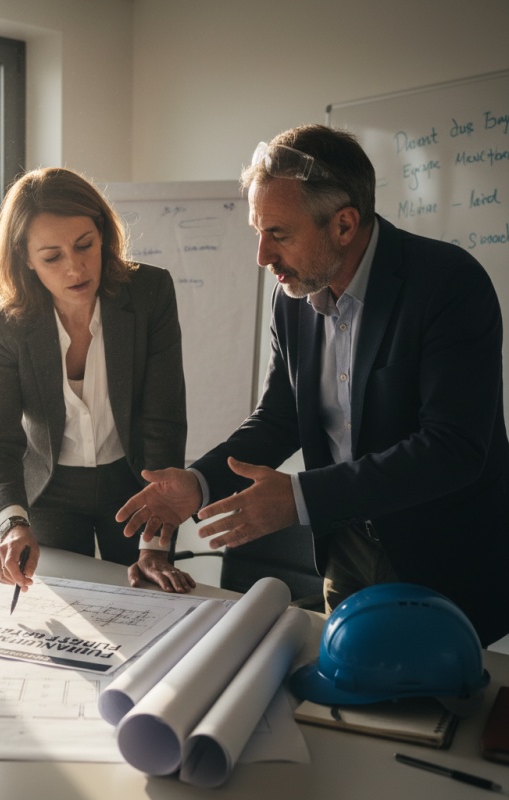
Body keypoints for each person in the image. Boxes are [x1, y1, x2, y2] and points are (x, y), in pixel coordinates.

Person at [117, 124, 509, 646]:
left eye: (278, 234)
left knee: (438, 694)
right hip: (344, 548)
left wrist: (301, 498)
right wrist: (200, 482)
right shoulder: (292, 299)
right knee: (341, 687)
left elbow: (453, 448)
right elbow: (280, 417)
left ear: (344, 224)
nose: (262, 256)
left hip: (441, 553)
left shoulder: (448, 283)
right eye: (258, 231)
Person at [0, 166, 196, 596]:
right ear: (25, 257)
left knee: (145, 602)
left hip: (135, 484)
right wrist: (12, 524)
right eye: (52, 257)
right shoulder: (3, 320)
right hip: (50, 490)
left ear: (103, 235)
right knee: (62, 603)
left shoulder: (149, 292)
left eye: (84, 245)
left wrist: (155, 546)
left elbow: (163, 421)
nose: (75, 268)